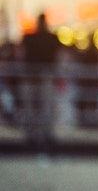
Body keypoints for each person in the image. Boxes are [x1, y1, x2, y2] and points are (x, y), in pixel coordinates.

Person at [21, 12, 61, 150]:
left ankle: (36, 135)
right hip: (42, 75)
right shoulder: (50, 38)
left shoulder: (29, 38)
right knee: (43, 107)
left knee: (39, 108)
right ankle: (41, 134)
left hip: (35, 75)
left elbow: (22, 55)